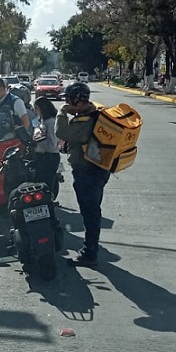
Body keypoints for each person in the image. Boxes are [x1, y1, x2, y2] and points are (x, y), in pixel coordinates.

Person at [56, 82, 111, 267]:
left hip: (88, 171)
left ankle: (90, 253)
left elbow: (62, 132)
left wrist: (62, 112)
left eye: (69, 100)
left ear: (77, 101)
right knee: (92, 211)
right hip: (98, 169)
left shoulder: (85, 121)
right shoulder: (94, 113)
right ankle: (90, 250)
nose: (67, 102)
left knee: (90, 213)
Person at [32, 96, 60, 197]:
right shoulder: (43, 121)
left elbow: (52, 144)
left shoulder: (51, 122)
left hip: (50, 156)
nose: (35, 111)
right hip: (43, 156)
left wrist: (39, 143)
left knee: (47, 184)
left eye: (36, 108)